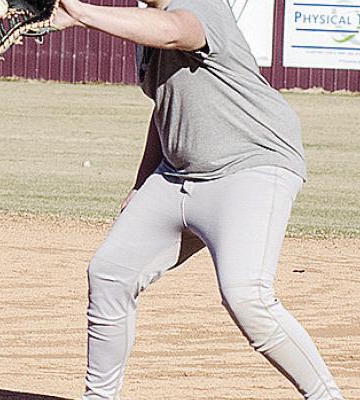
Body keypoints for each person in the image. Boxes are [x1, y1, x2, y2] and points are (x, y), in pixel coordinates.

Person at [53, 0, 344, 399]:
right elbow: (165, 107)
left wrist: (81, 13)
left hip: (251, 166)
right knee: (109, 274)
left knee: (246, 296)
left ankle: (327, 396)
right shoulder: (147, 32)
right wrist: (141, 185)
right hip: (177, 176)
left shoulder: (200, 4)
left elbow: (177, 30)